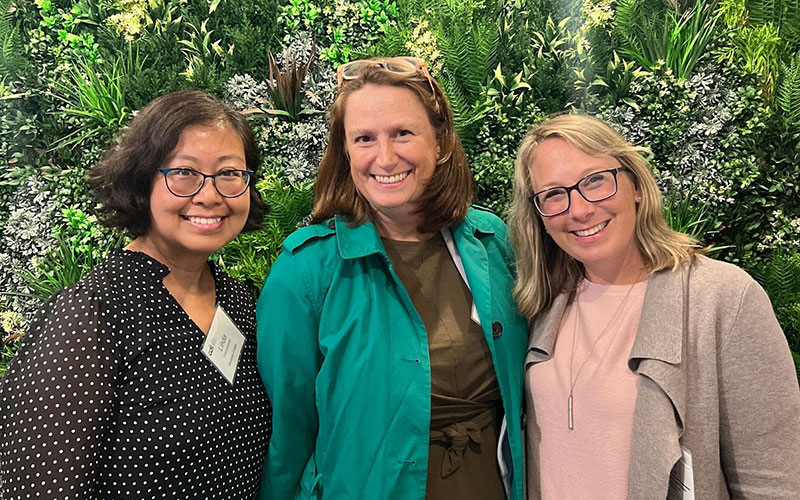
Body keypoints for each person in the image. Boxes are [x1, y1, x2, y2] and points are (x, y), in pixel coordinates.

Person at [256, 57, 527, 500]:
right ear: (345, 153)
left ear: (439, 143)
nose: (385, 157)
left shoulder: (492, 242)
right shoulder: (307, 269)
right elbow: (286, 433)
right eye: (364, 138)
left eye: (402, 133)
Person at [508, 113, 800, 499]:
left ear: (636, 186)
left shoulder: (721, 297)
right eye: (554, 195)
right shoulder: (544, 303)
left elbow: (772, 480)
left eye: (595, 180)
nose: (578, 210)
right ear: (539, 217)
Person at [0, 89, 272, 499]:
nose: (210, 194)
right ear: (143, 181)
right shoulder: (91, 315)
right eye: (185, 172)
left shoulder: (237, 303)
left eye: (230, 173)